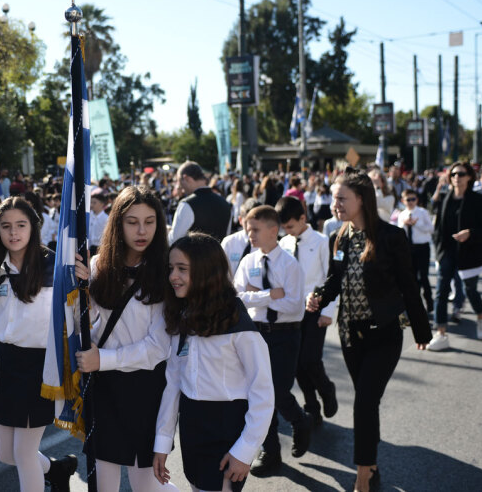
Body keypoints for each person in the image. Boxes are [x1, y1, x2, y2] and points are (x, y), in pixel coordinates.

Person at [306, 168, 431, 492]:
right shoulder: (339, 237)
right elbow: (336, 280)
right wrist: (318, 297)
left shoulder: (391, 237)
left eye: (341, 198)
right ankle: (372, 465)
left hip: (384, 334)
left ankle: (362, 476)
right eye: (334, 198)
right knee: (367, 402)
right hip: (350, 336)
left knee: (363, 402)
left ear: (361, 200)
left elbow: (408, 286)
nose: (335, 204)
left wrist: (421, 331)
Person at [0, 197, 76, 492]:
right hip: (6, 364)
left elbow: (74, 320)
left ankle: (53, 472)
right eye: (6, 226)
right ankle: (57, 469)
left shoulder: (56, 268)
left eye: (21, 225)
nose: (14, 233)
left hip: (40, 366)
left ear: (32, 228)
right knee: (5, 454)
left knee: (23, 454)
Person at [73, 186, 176, 492]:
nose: (142, 230)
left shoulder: (166, 273)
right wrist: (79, 293)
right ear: (117, 223)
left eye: (149, 221)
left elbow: (159, 347)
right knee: (103, 482)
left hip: (146, 388)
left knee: (144, 484)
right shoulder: (98, 266)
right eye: (132, 222)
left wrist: (102, 359)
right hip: (103, 386)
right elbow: (92, 327)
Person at [153, 232, 274, 492]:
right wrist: (162, 444)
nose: (173, 276)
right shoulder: (183, 316)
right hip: (192, 428)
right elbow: (173, 382)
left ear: (206, 271)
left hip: (225, 430)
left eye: (182, 269)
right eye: (171, 268)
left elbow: (262, 393)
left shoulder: (239, 327)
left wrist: (245, 450)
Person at [233, 205, 312, 476]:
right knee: (258, 394)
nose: (249, 234)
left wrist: (257, 295)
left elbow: (294, 306)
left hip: (284, 334)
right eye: (247, 228)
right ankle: (271, 452)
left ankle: (300, 420)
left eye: (254, 229)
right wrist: (268, 294)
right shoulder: (248, 262)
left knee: (278, 391)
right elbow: (238, 297)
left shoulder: (289, 264)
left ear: (272, 230)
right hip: (255, 333)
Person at [276, 196, 337, 426]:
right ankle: (312, 408)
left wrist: (328, 310)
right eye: (284, 228)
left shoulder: (322, 241)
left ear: (303, 218)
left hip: (316, 310)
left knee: (311, 359)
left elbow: (331, 277)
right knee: (298, 365)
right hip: (291, 312)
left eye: (290, 226)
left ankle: (326, 389)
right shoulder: (284, 244)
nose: (287, 231)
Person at [428, 162, 482, 351]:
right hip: (447, 252)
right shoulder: (444, 198)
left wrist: (470, 233)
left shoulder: (477, 200)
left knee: (470, 290)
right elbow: (438, 228)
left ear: (469, 177)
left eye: (461, 174)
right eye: (454, 174)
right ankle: (441, 332)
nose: (457, 177)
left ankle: (481, 316)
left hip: (469, 254)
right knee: (441, 291)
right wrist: (439, 251)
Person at [168, 161, 232, 244]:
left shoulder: (187, 204)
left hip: (192, 256)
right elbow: (227, 238)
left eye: (180, 182)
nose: (181, 188)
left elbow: (173, 240)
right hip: (218, 255)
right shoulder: (224, 203)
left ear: (187, 178)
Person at [396, 189, 435, 312]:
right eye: (408, 200)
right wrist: (405, 224)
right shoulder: (402, 215)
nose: (411, 202)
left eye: (413, 199)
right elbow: (399, 233)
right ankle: (416, 304)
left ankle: (429, 303)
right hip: (409, 248)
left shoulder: (422, 212)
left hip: (422, 247)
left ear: (417, 200)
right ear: (403, 201)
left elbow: (431, 229)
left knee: (423, 276)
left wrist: (415, 224)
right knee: (412, 278)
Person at [221, 198, 261, 276]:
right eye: (247, 223)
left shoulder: (267, 243)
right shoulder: (229, 242)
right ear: (240, 220)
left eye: (256, 223)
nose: (251, 227)